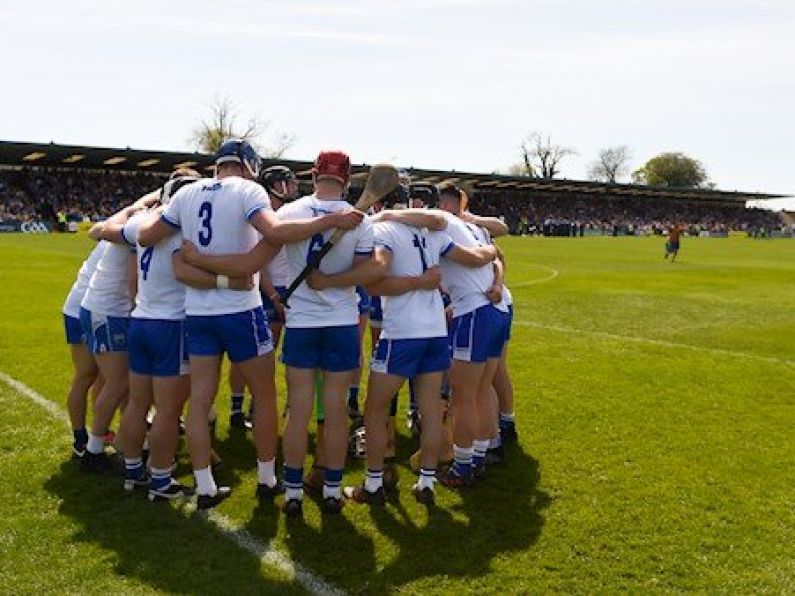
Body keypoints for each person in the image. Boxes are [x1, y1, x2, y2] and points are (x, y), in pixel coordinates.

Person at [138, 140, 362, 509]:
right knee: (265, 396)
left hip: (198, 311)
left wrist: (195, 257)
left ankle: (206, 485)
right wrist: (331, 221)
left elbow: (147, 237)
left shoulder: (186, 194)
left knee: (199, 400)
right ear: (248, 164)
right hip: (241, 310)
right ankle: (266, 477)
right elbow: (270, 238)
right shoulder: (248, 190)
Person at [336, 207, 498, 506]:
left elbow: (376, 278)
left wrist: (415, 281)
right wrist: (491, 253)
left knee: (375, 409)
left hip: (401, 333)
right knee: (431, 410)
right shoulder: (433, 232)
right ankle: (426, 482)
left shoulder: (383, 231)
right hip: (435, 330)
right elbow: (458, 245)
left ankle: (373, 485)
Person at [278, 150, 379, 516]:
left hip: (301, 322)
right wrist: (335, 283)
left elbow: (271, 241)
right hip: (341, 322)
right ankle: (333, 490)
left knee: (299, 406)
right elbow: (368, 273)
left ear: (314, 174)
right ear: (347, 179)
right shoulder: (361, 220)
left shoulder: (289, 212)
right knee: (336, 409)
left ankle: (292, 490)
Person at [434, 183, 511, 487]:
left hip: (475, 312)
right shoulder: (473, 228)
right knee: (481, 389)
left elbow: (480, 258)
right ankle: (480, 454)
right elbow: (495, 256)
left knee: (463, 395)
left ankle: (463, 466)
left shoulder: (443, 225)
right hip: (497, 308)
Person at [79, 191, 159, 473]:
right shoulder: (145, 223)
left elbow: (100, 230)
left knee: (124, 384)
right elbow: (133, 280)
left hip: (104, 307)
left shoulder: (137, 217)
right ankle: (94, 450)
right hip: (108, 310)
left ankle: (129, 443)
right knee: (119, 383)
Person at [228, 165, 299, 431]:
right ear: (277, 185)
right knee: (256, 355)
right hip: (267, 290)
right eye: (288, 183)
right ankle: (239, 408)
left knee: (273, 355)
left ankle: (255, 407)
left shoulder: (286, 212)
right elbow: (258, 264)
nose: (292, 188)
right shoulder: (261, 215)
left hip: (285, 289)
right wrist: (272, 294)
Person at [62, 241, 106, 459]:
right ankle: (80, 439)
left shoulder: (118, 227)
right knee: (86, 375)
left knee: (103, 377)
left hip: (87, 307)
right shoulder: (128, 233)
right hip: (82, 310)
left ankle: (99, 431)